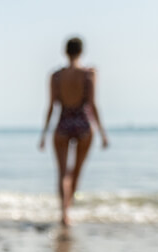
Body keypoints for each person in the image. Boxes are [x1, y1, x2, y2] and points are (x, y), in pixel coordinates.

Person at [39, 36, 108, 227]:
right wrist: (102, 132)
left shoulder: (56, 76)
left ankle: (64, 213)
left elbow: (51, 106)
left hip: (62, 124)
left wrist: (44, 134)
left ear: (65, 51)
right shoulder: (89, 73)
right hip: (84, 124)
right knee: (76, 172)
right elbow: (93, 105)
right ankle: (68, 210)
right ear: (81, 51)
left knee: (63, 173)